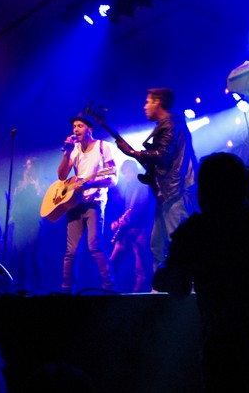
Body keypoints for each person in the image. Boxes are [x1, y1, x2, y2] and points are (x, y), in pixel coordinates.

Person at [151, 151, 249, 392]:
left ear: (205, 191)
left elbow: (168, 283)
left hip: (227, 348)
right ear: (246, 185)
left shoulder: (198, 231)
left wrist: (181, 253)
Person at [114, 87, 198, 271]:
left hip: (177, 191)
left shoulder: (170, 123)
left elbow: (162, 156)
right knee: (158, 246)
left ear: (157, 102)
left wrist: (132, 152)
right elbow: (158, 163)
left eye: (147, 102)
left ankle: (185, 287)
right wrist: (133, 153)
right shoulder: (167, 125)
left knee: (177, 245)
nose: (144, 106)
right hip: (168, 193)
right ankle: (161, 286)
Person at [57, 113, 119, 292]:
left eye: (80, 126)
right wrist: (67, 153)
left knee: (95, 246)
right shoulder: (74, 149)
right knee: (71, 251)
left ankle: (110, 287)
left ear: (89, 129)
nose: (76, 129)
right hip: (75, 202)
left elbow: (113, 179)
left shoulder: (103, 147)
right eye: (74, 126)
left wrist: (91, 184)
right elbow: (61, 176)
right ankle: (67, 289)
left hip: (95, 203)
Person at [108, 159, 156, 292]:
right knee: (112, 262)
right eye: (124, 174)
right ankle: (115, 291)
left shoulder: (143, 186)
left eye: (128, 173)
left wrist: (129, 220)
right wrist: (117, 221)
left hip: (139, 230)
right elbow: (126, 208)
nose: (126, 176)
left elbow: (144, 209)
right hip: (126, 231)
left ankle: (138, 296)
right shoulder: (128, 187)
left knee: (140, 268)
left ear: (135, 171)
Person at [9, 156, 44, 292]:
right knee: (20, 254)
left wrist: (37, 183)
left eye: (29, 165)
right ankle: (22, 285)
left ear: (35, 167)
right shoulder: (20, 184)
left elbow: (42, 197)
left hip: (34, 221)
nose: (27, 167)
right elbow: (14, 202)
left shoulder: (41, 182)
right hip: (20, 222)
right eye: (26, 165)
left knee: (34, 253)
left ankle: (40, 286)